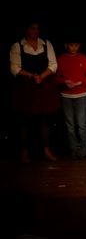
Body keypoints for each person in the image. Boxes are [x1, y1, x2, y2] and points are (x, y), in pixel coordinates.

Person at [9, 21, 59, 162]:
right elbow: (15, 67)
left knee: (45, 119)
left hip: (43, 85)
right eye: (32, 28)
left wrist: (41, 76)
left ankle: (46, 150)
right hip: (26, 86)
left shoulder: (46, 44)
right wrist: (31, 75)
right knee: (25, 119)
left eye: (37, 28)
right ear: (26, 30)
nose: (35, 31)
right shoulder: (18, 46)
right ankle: (24, 152)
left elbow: (53, 64)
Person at [56, 37, 86, 159]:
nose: (73, 48)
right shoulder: (61, 59)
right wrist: (64, 81)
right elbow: (55, 78)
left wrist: (80, 82)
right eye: (71, 45)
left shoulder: (83, 58)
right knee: (70, 125)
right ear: (66, 45)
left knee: (81, 124)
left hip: (81, 96)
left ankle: (83, 149)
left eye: (76, 45)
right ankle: (73, 148)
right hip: (66, 96)